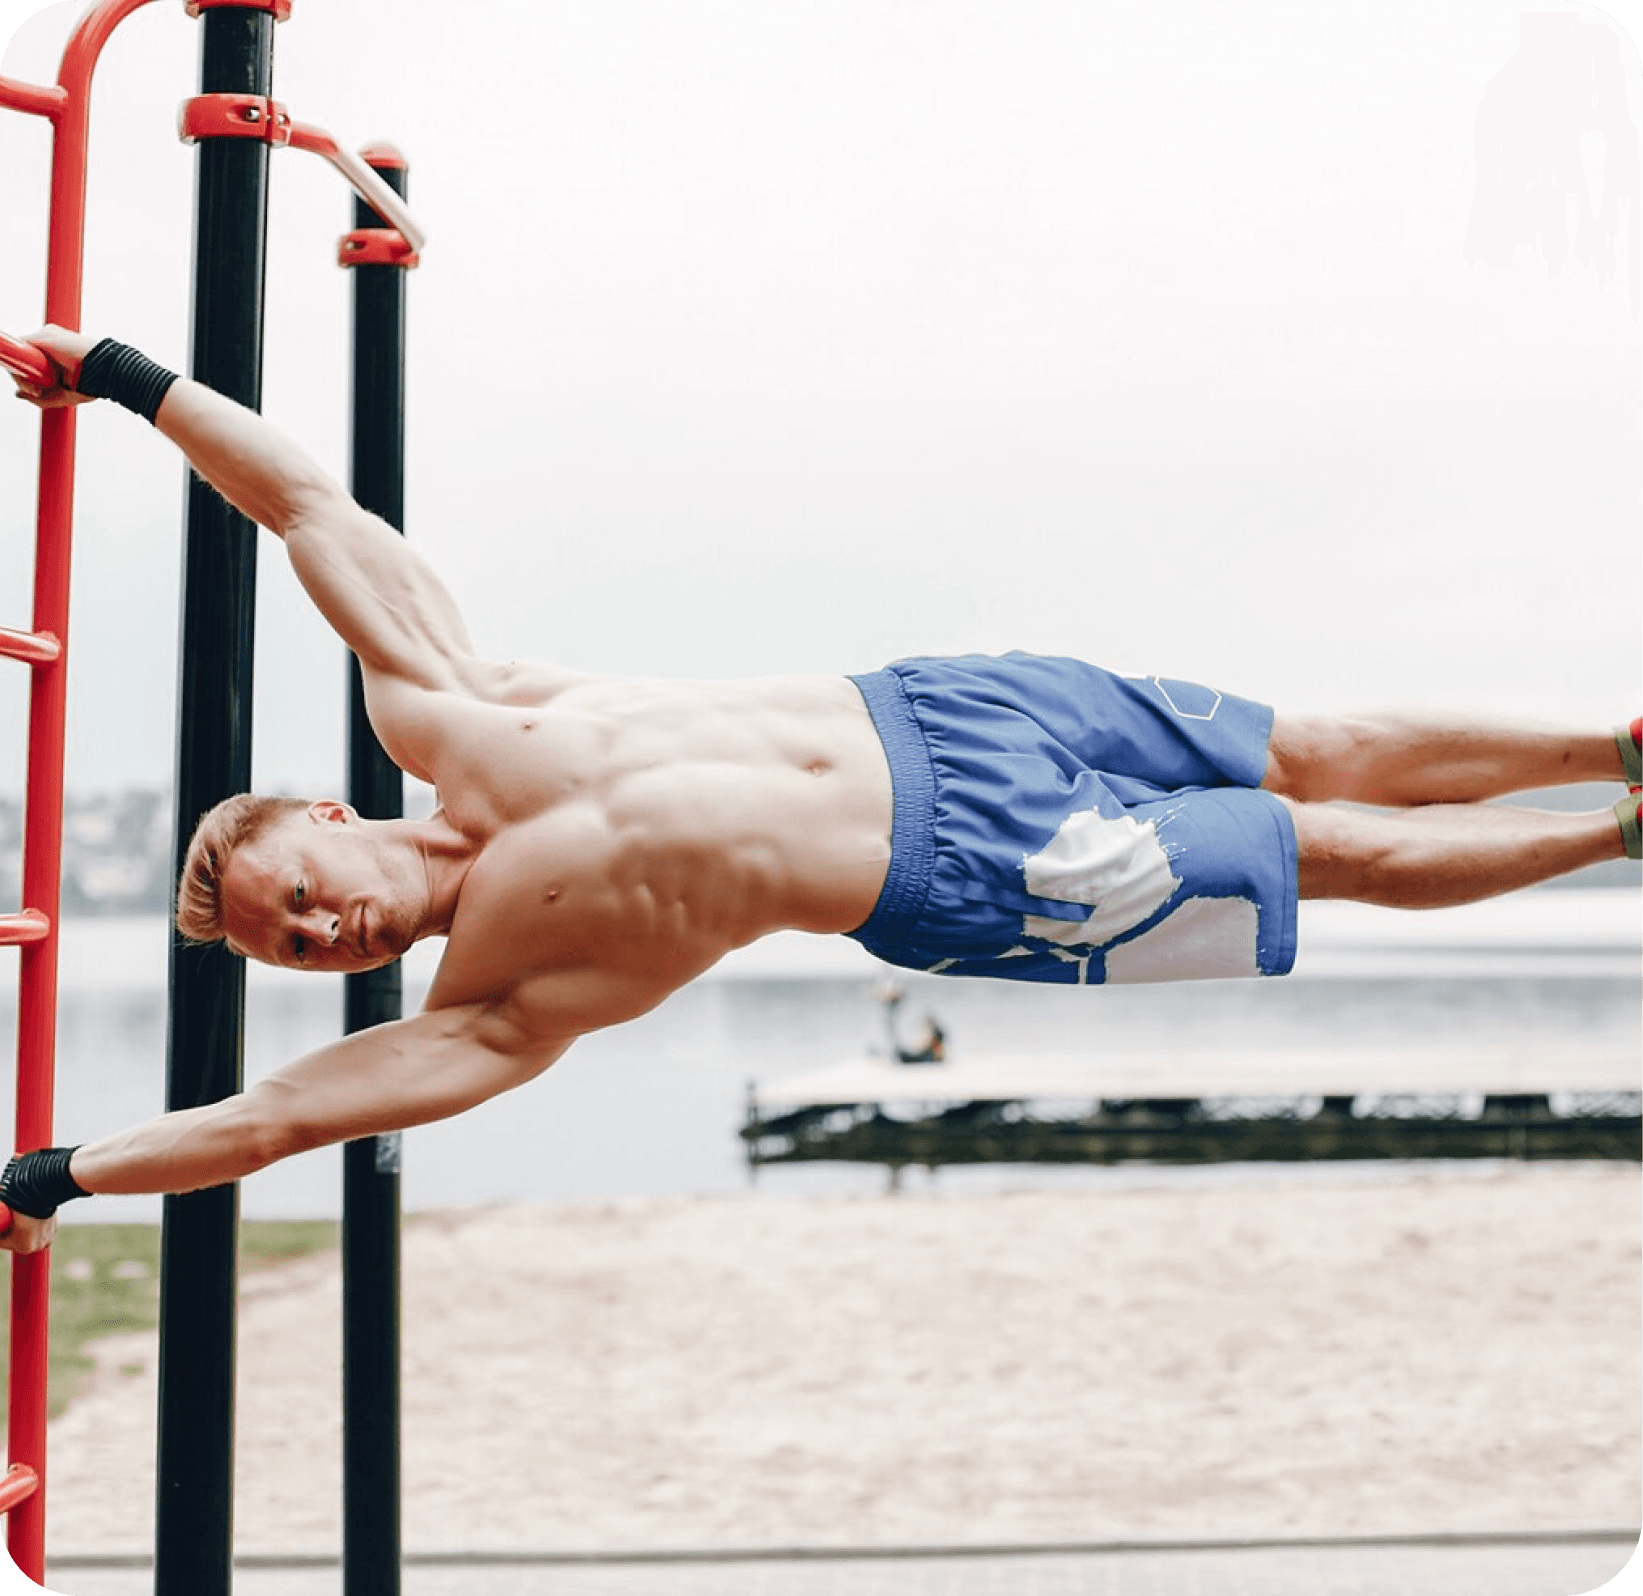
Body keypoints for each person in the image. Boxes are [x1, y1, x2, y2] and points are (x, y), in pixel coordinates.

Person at [1, 323, 1637, 1249]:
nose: (322, 933)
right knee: (1319, 849)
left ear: (329, 812)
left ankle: (1613, 743)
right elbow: (268, 1121)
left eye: (297, 893)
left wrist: (123, 378)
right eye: (299, 953)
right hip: (974, 865)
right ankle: (1618, 833)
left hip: (939, 703)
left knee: (1314, 747)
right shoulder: (498, 999)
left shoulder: (451, 702)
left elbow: (302, 509)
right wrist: (51, 1179)